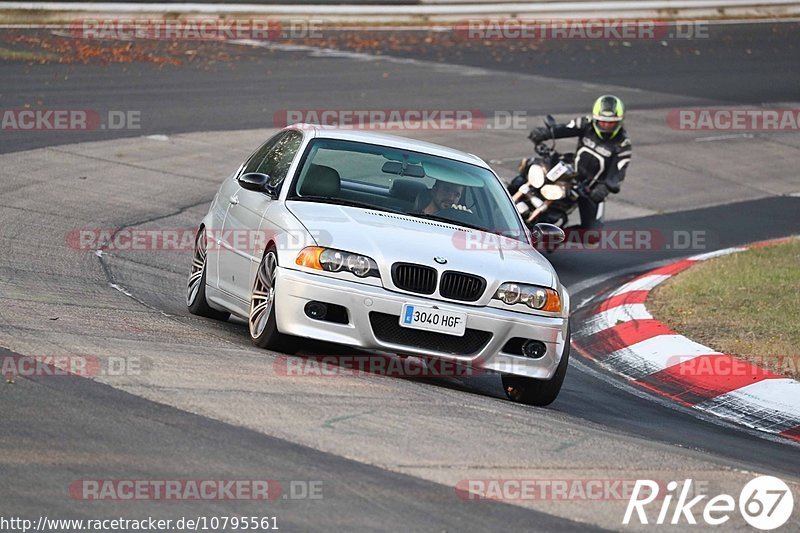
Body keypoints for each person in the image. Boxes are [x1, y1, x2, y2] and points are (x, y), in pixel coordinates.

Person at [528, 95, 632, 230]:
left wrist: (605, 188)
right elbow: (565, 128)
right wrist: (545, 133)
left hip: (589, 189)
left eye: (611, 122)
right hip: (568, 172)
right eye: (602, 121)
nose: (606, 125)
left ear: (620, 122)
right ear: (596, 118)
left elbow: (618, 173)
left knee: (592, 234)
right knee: (531, 166)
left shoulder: (623, 145)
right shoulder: (585, 123)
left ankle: (556, 236)